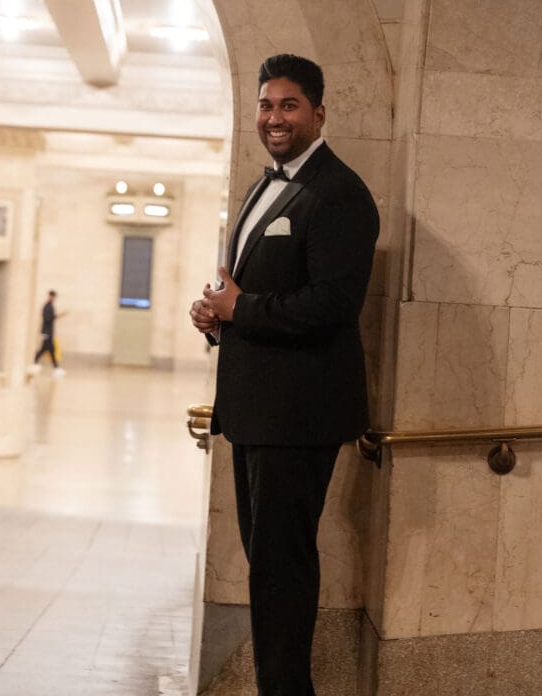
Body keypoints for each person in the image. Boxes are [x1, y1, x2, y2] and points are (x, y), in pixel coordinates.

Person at [190, 54, 379, 696]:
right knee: (267, 565)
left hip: (298, 415)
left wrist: (240, 307)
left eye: (289, 105)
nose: (275, 118)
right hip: (256, 411)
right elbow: (250, 289)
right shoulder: (259, 187)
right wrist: (219, 314)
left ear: (318, 113)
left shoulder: (340, 194)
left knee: (282, 570)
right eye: (267, 105)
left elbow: (333, 304)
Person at [32, 289, 65, 376]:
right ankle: (55, 367)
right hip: (47, 332)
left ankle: (55, 367)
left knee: (48, 349)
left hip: (48, 332)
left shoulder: (50, 306)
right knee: (48, 349)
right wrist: (58, 316)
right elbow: (47, 319)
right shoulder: (47, 306)